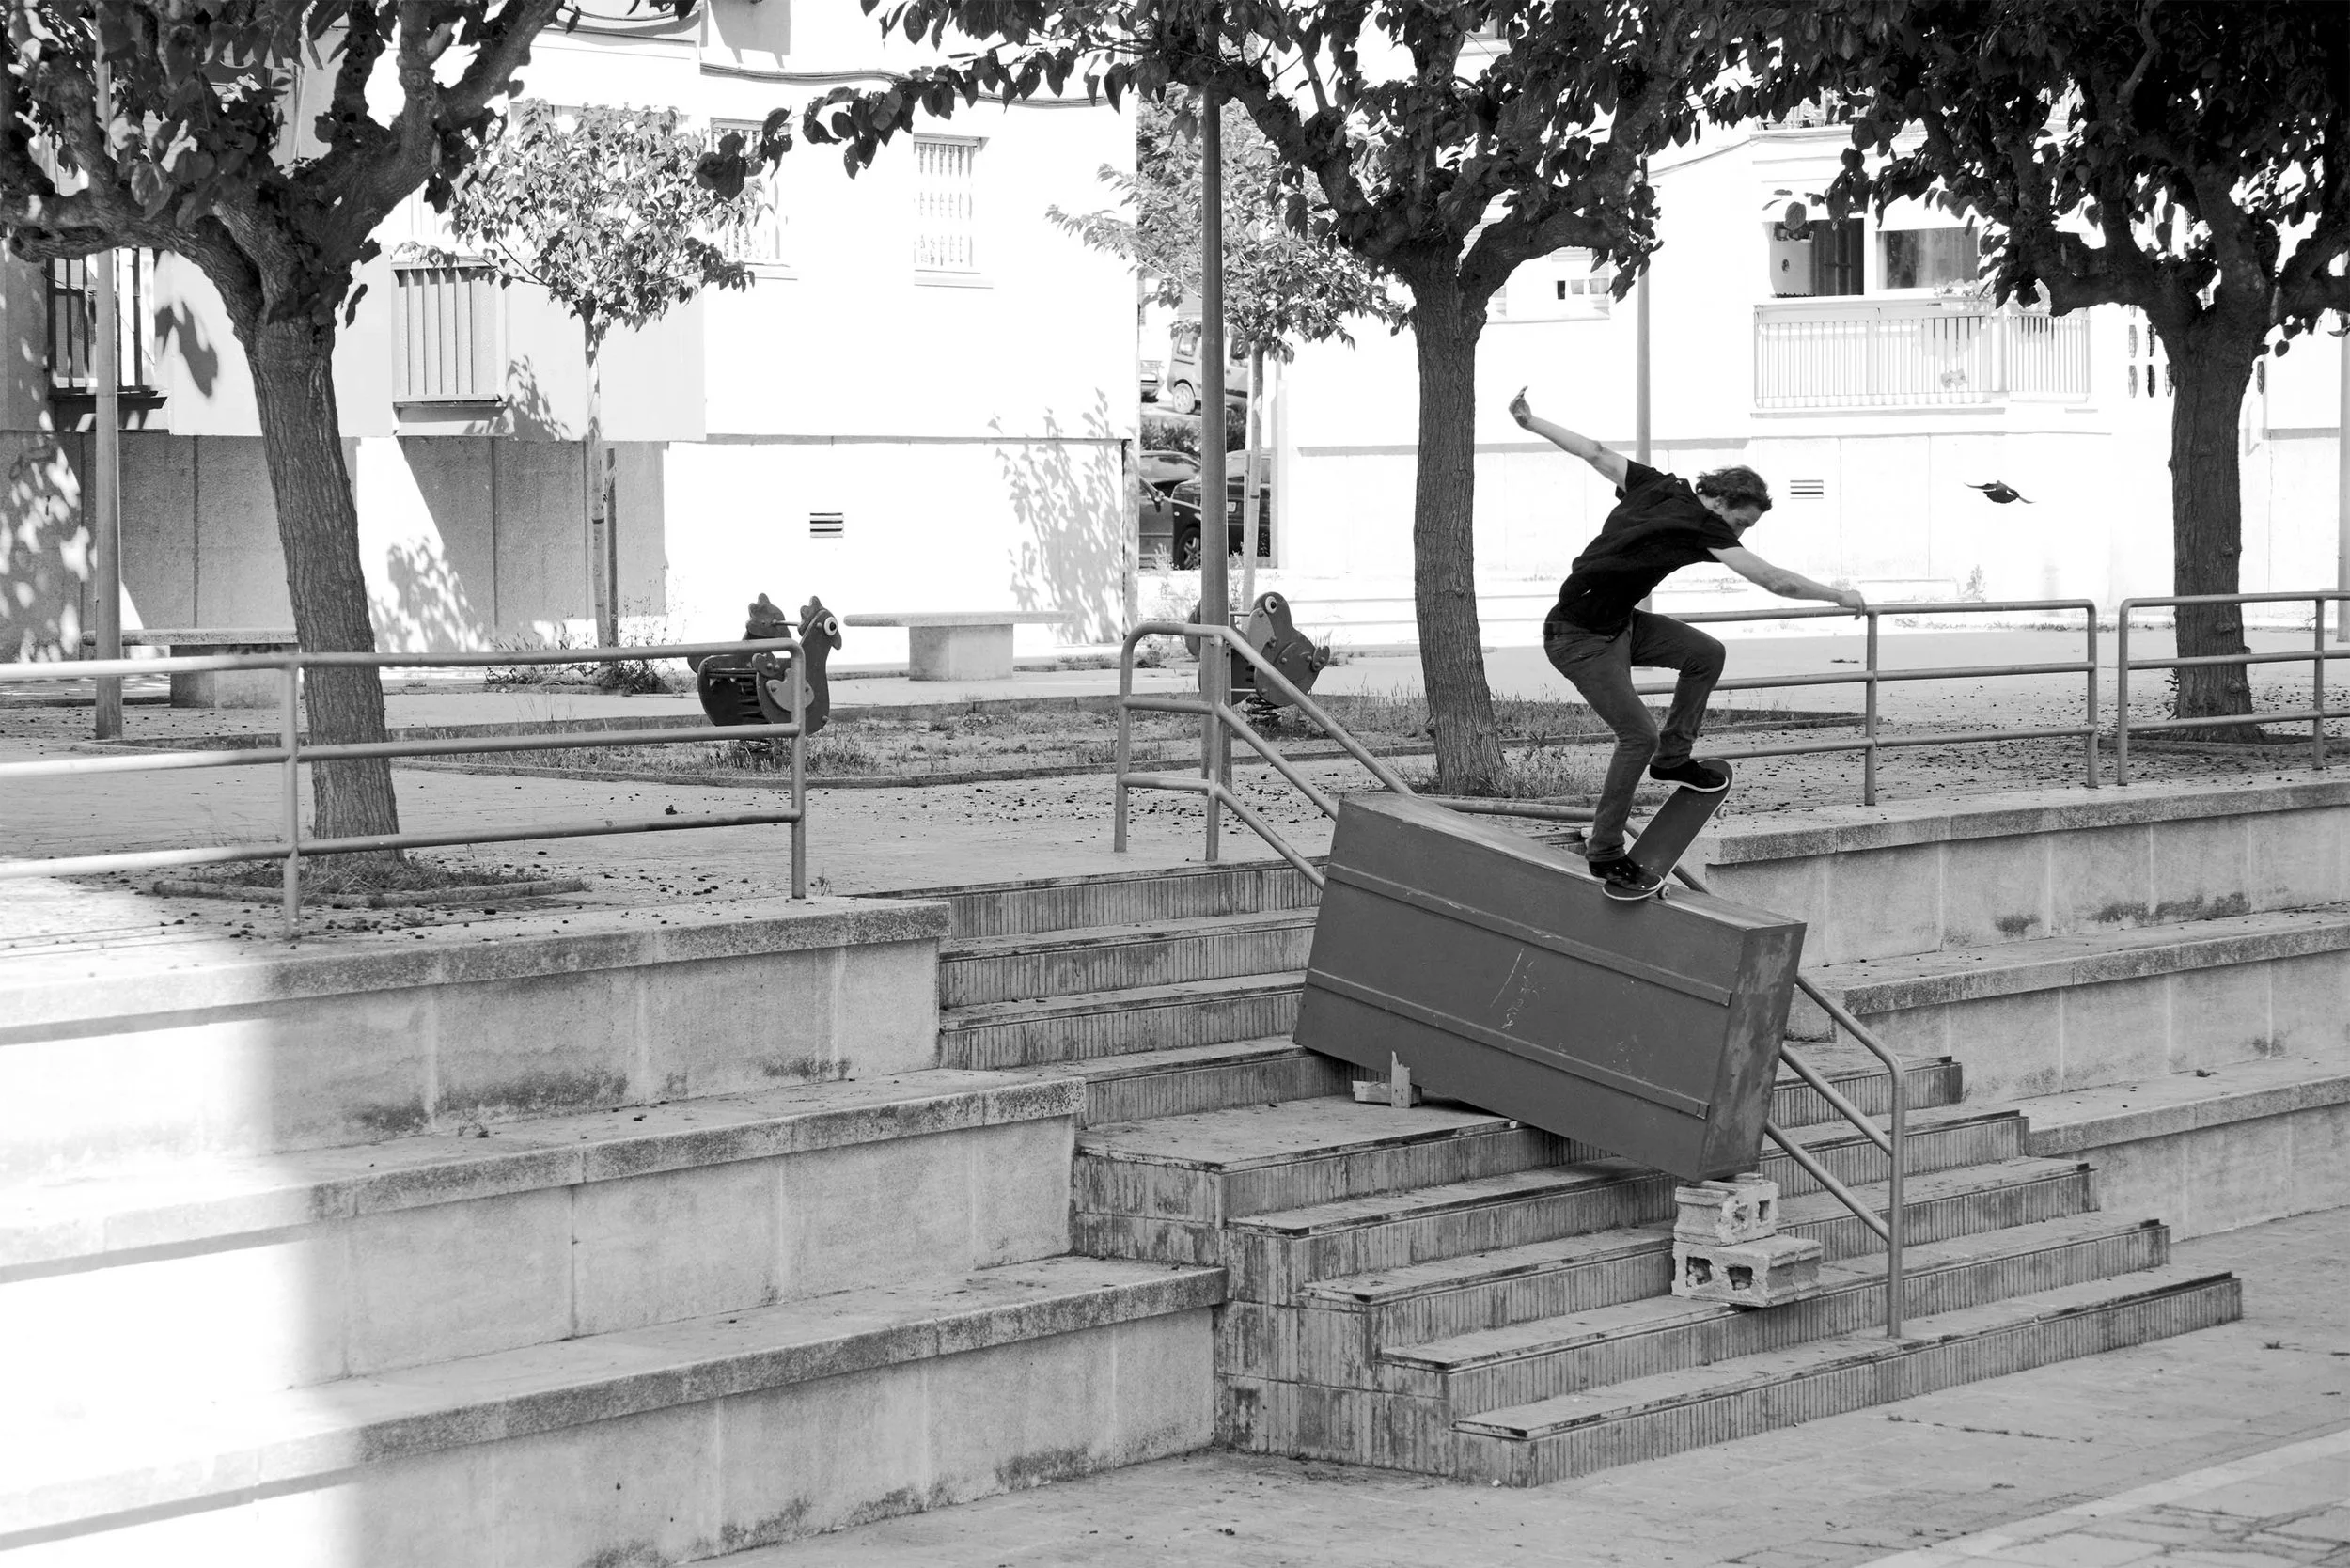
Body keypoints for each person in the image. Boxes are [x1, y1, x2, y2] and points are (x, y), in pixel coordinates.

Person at [1510, 386, 1866, 900]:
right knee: (1636, 736)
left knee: (1705, 653)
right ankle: (1605, 853)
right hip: (1577, 639)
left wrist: (1531, 421)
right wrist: (1838, 596)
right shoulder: (1703, 527)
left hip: (1619, 624)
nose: (1740, 532)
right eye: (1741, 522)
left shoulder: (1657, 484)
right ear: (1721, 501)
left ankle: (1674, 760)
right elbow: (1773, 580)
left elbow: (1593, 452)